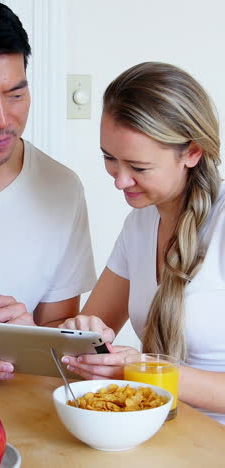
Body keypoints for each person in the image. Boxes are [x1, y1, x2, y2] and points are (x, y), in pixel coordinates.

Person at [59, 61, 225, 425]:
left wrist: (142, 369)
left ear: (192, 152)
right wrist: (84, 336)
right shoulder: (139, 224)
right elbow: (93, 327)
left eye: (138, 166)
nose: (120, 181)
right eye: (109, 158)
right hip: (157, 432)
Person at [0, 0, 96, 383]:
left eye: (16, 95)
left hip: (21, 412)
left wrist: (28, 333)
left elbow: (58, 331)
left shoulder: (62, 189)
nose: (1, 119)